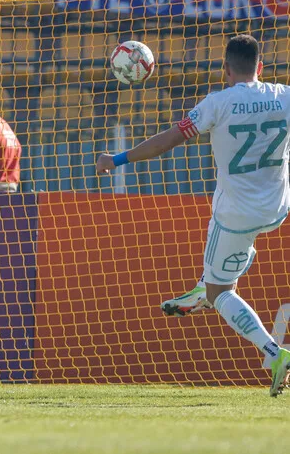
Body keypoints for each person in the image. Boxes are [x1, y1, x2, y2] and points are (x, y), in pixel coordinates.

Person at [97, 34, 290, 397]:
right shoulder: (285, 95)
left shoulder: (216, 103)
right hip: (278, 208)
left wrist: (117, 159)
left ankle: (272, 351)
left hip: (236, 215)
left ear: (225, 70)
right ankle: (206, 282)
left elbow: (169, 139)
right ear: (260, 67)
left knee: (222, 292)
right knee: (235, 241)